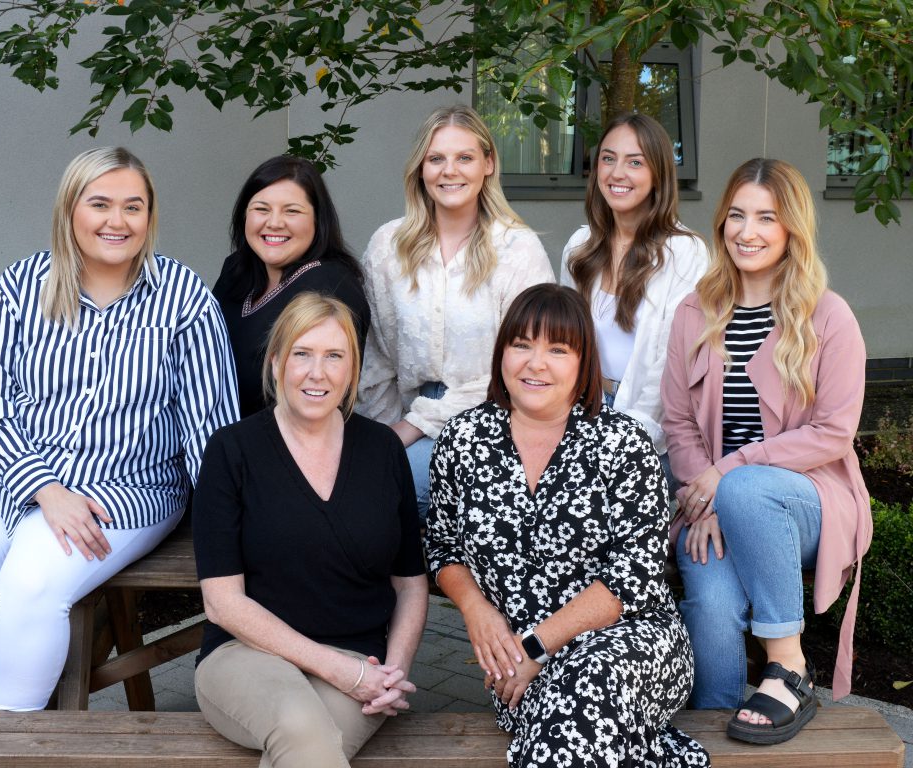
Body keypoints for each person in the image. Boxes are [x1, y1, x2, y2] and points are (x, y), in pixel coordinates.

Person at [0, 147, 238, 768]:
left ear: (150, 216)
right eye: (99, 203)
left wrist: (232, 535)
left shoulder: (184, 299)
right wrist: (45, 488)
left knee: (28, 590)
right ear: (70, 210)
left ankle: (12, 754)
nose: (117, 220)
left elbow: (211, 431)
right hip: (1, 478)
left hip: (124, 491)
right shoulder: (22, 285)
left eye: (134, 206)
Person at [425, 284, 709, 768]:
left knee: (584, 695)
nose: (535, 363)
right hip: (516, 664)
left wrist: (539, 644)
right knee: (567, 731)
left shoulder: (622, 442)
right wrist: (476, 611)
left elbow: (632, 575)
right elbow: (442, 543)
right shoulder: (463, 438)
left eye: (557, 349)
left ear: (583, 365)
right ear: (502, 354)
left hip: (632, 645)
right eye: (522, 344)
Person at [661, 158, 872, 744]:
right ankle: (710, 732)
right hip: (712, 501)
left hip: (808, 500)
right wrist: (705, 500)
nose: (746, 232)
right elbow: (678, 424)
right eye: (736, 216)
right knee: (709, 599)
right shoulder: (693, 313)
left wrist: (727, 476)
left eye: (766, 218)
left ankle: (789, 669)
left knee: (751, 487)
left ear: (791, 230)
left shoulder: (828, 316)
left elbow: (833, 432)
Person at [192, 292, 428, 767]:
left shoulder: (383, 450)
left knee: (311, 749)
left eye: (334, 356)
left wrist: (395, 670)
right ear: (277, 361)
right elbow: (222, 601)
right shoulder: (231, 451)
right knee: (302, 727)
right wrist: (338, 669)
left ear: (352, 370)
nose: (317, 373)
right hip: (247, 654)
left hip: (363, 660)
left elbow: (410, 584)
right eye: (302, 353)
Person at [359, 105, 554, 520]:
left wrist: (413, 428)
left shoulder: (517, 250)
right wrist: (383, 436)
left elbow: (524, 368)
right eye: (436, 159)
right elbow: (377, 358)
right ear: (420, 168)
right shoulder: (387, 247)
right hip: (404, 415)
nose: (450, 171)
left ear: (488, 164)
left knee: (385, 493)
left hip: (499, 417)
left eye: (464, 157)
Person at [561, 113, 707, 481]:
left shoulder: (684, 252)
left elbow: (672, 363)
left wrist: (626, 437)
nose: (617, 173)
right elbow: (561, 343)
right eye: (608, 159)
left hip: (652, 426)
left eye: (635, 162)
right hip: (582, 411)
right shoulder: (579, 246)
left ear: (658, 174)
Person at [213, 155, 370, 417]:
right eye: (261, 209)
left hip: (284, 447)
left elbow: (325, 395)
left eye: (292, 211)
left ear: (317, 220)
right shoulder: (237, 270)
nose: (274, 222)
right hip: (219, 441)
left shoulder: (331, 288)